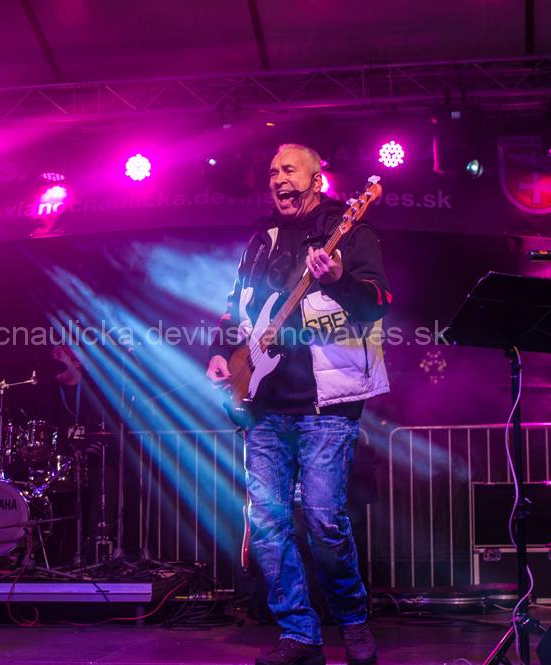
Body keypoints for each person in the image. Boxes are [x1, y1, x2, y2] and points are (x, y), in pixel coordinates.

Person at [206, 144, 391, 665]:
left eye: (288, 170)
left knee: (324, 521)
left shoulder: (349, 230)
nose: (278, 179)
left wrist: (338, 280)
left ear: (316, 179)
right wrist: (221, 352)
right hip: (264, 405)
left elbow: (379, 302)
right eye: (272, 172)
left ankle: (353, 621)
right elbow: (235, 306)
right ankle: (299, 633)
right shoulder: (260, 241)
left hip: (325, 404)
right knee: (267, 524)